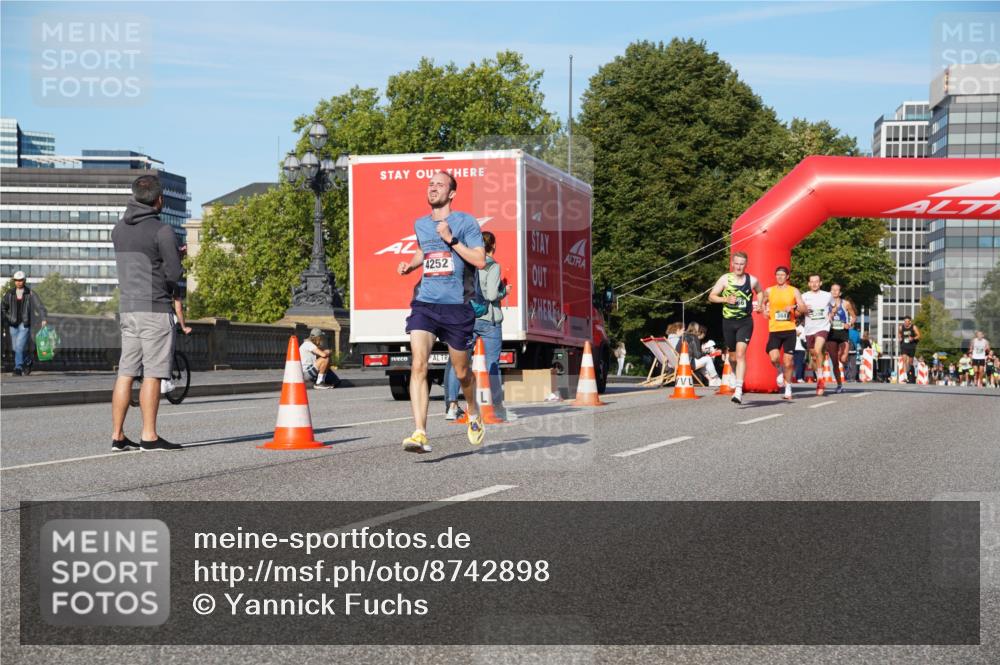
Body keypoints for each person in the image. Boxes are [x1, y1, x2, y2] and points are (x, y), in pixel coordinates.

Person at [396, 171, 486, 453]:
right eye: (430, 184)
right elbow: (425, 252)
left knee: (461, 373)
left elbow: (480, 261)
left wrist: (452, 240)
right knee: (418, 364)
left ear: (452, 193)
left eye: (439, 184)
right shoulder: (420, 224)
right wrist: (411, 265)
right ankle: (420, 432)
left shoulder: (465, 222)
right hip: (425, 302)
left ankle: (473, 409)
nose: (432, 188)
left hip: (457, 306)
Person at [110, 175, 184, 451]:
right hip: (154, 307)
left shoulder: (118, 229)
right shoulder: (162, 230)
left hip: (128, 308)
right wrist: (176, 257)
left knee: (126, 372)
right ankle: (149, 436)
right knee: (153, 373)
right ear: (159, 199)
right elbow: (173, 273)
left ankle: (117, 436)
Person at [708, 251, 761, 405]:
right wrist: (725, 298)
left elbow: (760, 291)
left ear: (746, 265)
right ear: (732, 264)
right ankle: (734, 373)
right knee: (731, 357)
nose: (738, 266)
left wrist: (760, 304)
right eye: (736, 263)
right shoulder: (725, 279)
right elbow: (711, 296)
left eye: (741, 264)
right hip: (728, 322)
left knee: (740, 354)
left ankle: (738, 390)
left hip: (745, 322)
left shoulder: (752, 280)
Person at [758, 266, 808, 400]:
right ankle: (779, 371)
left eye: (782, 275)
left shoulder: (794, 291)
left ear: (787, 277)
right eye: (777, 275)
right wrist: (764, 311)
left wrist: (794, 306)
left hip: (789, 329)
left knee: (788, 361)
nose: (780, 277)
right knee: (774, 357)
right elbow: (762, 301)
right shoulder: (770, 290)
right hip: (774, 329)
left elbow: (803, 308)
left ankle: (788, 387)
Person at [2, 270, 47, 375]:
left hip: (25, 323)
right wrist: (7, 317)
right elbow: (3, 307)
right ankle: (28, 361)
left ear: (24, 281)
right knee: (15, 347)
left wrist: (43, 318)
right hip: (12, 323)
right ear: (14, 281)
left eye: (21, 280)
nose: (18, 282)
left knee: (19, 345)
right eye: (16, 280)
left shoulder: (30, 293)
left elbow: (40, 306)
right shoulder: (9, 293)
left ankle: (18, 368)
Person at [801, 273, 833, 396]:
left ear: (820, 283)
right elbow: (798, 311)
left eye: (816, 281)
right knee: (813, 355)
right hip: (809, 329)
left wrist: (831, 314)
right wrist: (803, 309)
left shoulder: (827, 295)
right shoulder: (804, 296)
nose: (814, 284)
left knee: (818, 350)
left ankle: (820, 379)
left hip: (823, 327)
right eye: (812, 282)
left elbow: (834, 307)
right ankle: (818, 373)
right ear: (809, 284)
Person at [824, 283, 857, 393]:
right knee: (835, 362)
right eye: (832, 290)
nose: (834, 292)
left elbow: (854, 317)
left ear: (840, 292)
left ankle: (847, 367)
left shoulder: (845, 303)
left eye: (836, 290)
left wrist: (850, 324)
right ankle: (839, 384)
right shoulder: (826, 303)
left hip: (843, 333)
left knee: (842, 358)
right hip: (831, 333)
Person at [675, 321, 721, 387]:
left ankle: (711, 380)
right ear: (696, 329)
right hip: (688, 364)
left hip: (679, 363)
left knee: (703, 361)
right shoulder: (694, 337)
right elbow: (698, 355)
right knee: (707, 359)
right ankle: (715, 378)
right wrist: (706, 353)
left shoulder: (682, 336)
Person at [897, 316, 921, 383]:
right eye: (905, 321)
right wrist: (900, 337)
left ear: (910, 321)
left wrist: (913, 338)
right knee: (904, 360)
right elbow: (899, 333)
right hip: (904, 346)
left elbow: (919, 335)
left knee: (910, 362)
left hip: (912, 346)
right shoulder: (901, 327)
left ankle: (909, 373)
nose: (906, 323)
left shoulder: (913, 327)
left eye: (907, 321)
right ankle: (905, 376)